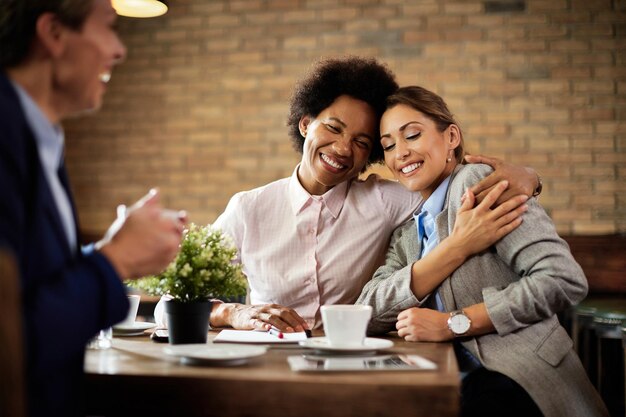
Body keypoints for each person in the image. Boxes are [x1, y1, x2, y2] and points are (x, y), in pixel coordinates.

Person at [172, 56, 541, 332]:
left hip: (353, 361)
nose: (342, 149)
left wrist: (528, 177)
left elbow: (454, 183)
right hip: (269, 363)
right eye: (333, 128)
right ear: (305, 124)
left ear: (370, 156)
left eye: (361, 142)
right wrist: (234, 313)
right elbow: (170, 303)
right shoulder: (249, 209)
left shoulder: (384, 201)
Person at [356, 86, 608, 417]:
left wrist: (453, 324)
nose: (400, 152)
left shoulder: (478, 185)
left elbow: (563, 279)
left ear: (451, 137)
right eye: (388, 145)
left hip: (518, 378)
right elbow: (368, 310)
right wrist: (456, 248)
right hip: (454, 381)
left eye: (412, 135)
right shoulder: (408, 230)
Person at [0, 1, 186, 416]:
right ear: (53, 33)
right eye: (108, 27)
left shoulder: (42, 136)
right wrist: (115, 260)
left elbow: (31, 284)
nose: (119, 50)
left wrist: (113, 248)